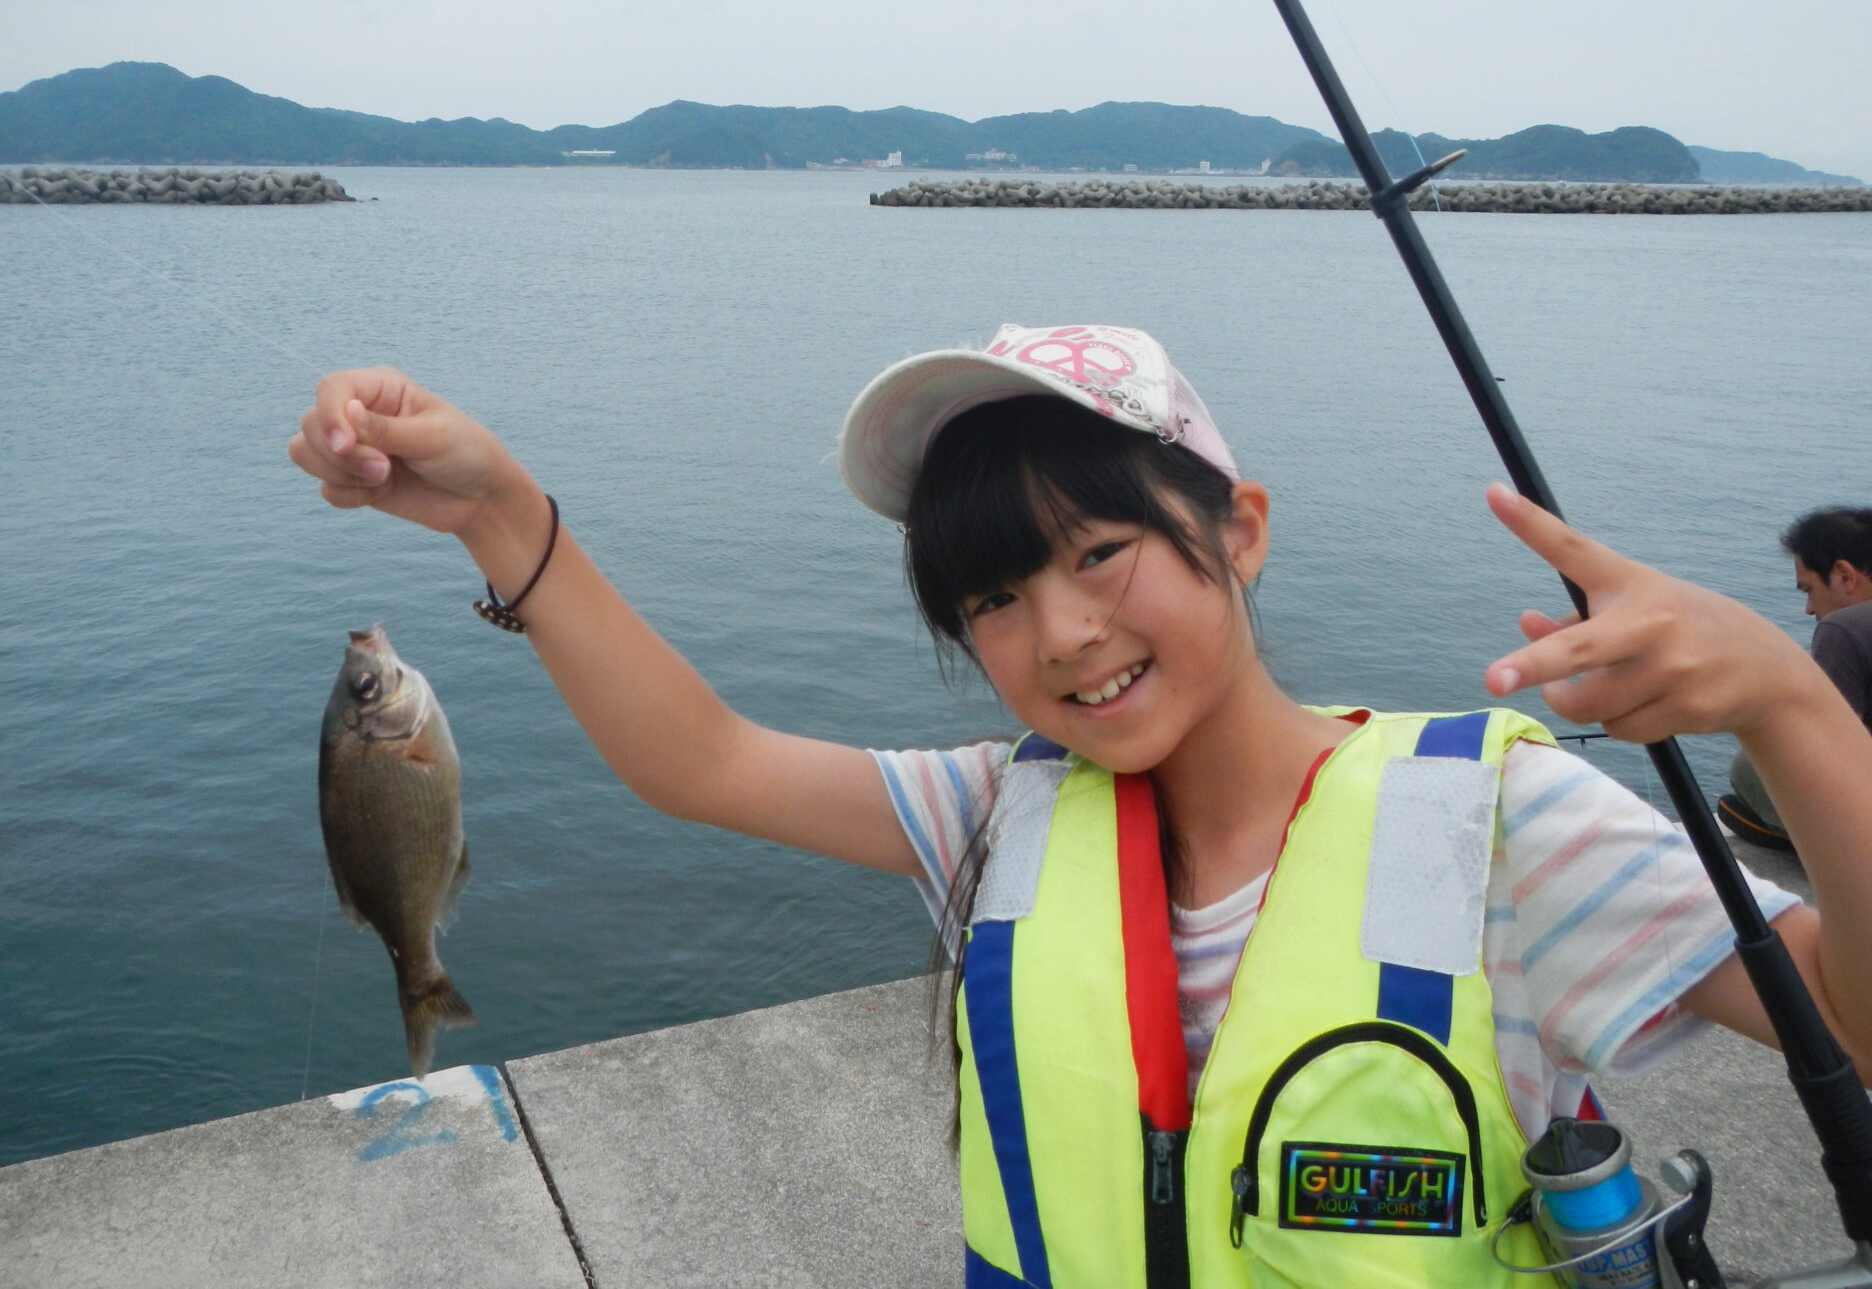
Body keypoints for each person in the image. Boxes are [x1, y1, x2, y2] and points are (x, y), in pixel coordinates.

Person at [289, 324, 1872, 1288]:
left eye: (1101, 551)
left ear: (1237, 529)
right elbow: (696, 760)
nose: (1057, 636)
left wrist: (1797, 709)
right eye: (990, 596)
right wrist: (498, 512)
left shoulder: (1505, 827)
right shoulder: (995, 813)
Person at [1718, 506, 1872, 853]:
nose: (1809, 609)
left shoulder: (1845, 628)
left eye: (1809, 590)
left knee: (1749, 765)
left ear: (1845, 576)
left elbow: (1838, 751)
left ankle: (1803, 838)